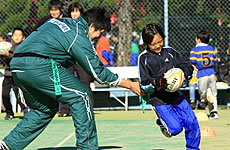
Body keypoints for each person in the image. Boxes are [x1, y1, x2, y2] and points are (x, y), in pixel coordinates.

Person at [0, 7, 142, 150]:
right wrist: (129, 85)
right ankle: (87, 147)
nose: (98, 37)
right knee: (81, 95)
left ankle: (9, 145)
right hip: (38, 65)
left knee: (44, 108)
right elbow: (98, 72)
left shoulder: (58, 22)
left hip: (17, 65)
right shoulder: (78, 34)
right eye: (100, 32)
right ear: (91, 26)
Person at [139, 23, 200, 150]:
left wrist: (184, 74)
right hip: (159, 100)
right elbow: (144, 83)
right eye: (153, 44)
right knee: (175, 129)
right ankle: (162, 122)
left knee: (192, 122)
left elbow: (186, 65)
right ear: (146, 44)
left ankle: (193, 148)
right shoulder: (144, 59)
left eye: (160, 41)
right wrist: (159, 82)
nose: (158, 46)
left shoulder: (170, 52)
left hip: (176, 96)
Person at [58, 1, 86, 117]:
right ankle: (64, 110)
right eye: (72, 12)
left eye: (77, 11)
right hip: (68, 58)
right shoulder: (65, 24)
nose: (75, 14)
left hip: (81, 58)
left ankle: (87, 107)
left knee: (84, 82)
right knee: (66, 83)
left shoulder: (84, 25)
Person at [0, 28, 28, 120]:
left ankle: (25, 109)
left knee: (19, 94)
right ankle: (9, 112)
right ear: (12, 37)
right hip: (8, 74)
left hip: (17, 74)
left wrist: (8, 54)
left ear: (23, 38)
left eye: (19, 35)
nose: (17, 37)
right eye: (15, 35)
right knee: (5, 95)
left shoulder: (23, 47)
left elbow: (16, 56)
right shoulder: (8, 46)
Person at [190, 30, 218, 119]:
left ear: (198, 40)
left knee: (203, 93)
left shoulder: (195, 50)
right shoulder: (211, 49)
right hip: (211, 72)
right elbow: (215, 60)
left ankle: (207, 96)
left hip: (202, 73)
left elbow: (192, 61)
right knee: (213, 94)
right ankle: (214, 112)